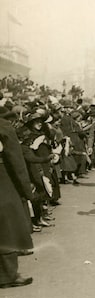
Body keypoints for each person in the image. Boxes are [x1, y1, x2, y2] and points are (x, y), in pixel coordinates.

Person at [0, 107, 34, 288]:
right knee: (8, 227)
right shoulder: (3, 126)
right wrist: (26, 191)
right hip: (2, 180)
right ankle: (8, 276)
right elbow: (16, 161)